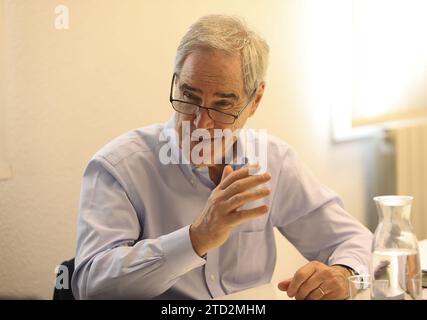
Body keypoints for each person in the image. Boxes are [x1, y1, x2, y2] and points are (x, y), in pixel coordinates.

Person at [71, 14, 372, 300]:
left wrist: (344, 274)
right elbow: (91, 286)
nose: (201, 123)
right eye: (190, 97)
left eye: (222, 105)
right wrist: (196, 238)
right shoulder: (118, 167)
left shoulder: (272, 161)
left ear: (255, 101)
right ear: (176, 82)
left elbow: (354, 241)